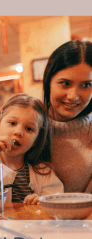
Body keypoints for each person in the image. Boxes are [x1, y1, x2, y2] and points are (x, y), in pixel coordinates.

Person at [0, 94, 63, 204]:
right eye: (12, 123)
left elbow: (57, 202)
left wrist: (42, 202)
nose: (19, 132)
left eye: (29, 128)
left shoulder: (43, 173)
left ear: (36, 140)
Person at [43, 40, 92, 193]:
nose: (73, 96)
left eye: (86, 85)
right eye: (65, 83)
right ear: (48, 82)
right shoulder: (26, 125)